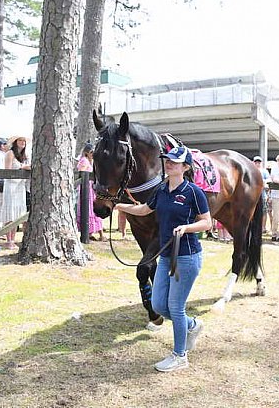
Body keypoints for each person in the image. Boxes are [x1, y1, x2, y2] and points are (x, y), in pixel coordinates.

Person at [114, 146, 211, 373]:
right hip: (166, 256)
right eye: (167, 160)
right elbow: (145, 209)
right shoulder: (161, 189)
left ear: (185, 167)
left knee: (175, 307)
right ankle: (192, 325)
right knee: (159, 305)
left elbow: (207, 222)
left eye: (174, 162)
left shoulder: (193, 192)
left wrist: (187, 227)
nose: (169, 164)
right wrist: (119, 205)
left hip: (186, 257)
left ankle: (179, 356)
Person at [0, 136, 31, 249]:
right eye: (20, 140)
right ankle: (8, 240)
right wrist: (23, 167)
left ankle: (13, 239)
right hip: (11, 187)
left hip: (20, 187)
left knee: (18, 214)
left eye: (24, 141)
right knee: (10, 213)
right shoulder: (10, 154)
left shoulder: (25, 156)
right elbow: (7, 172)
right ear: (15, 142)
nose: (22, 143)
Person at [76, 143, 105, 242]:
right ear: (86, 153)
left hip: (92, 188)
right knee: (87, 209)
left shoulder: (92, 161)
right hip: (86, 187)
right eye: (91, 152)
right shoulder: (84, 161)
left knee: (94, 208)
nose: (93, 154)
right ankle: (87, 232)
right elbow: (82, 173)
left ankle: (93, 232)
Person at [253, 156, 271, 233]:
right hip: (252, 195)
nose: (257, 164)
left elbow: (269, 179)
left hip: (262, 194)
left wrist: (263, 181)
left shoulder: (264, 171)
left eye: (259, 162)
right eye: (256, 162)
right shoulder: (251, 170)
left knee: (264, 211)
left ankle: (263, 227)